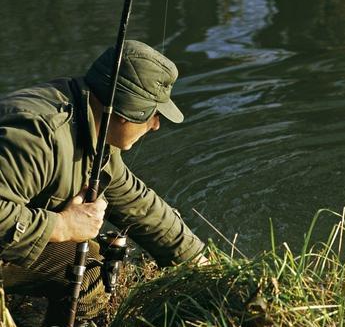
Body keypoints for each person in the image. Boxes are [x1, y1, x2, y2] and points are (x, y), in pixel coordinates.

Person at [0, 40, 207, 325]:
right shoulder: (39, 135)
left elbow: (137, 203)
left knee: (89, 257)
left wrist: (198, 264)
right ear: (126, 113)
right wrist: (62, 226)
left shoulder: (91, 124)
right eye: (153, 114)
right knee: (87, 274)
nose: (156, 125)